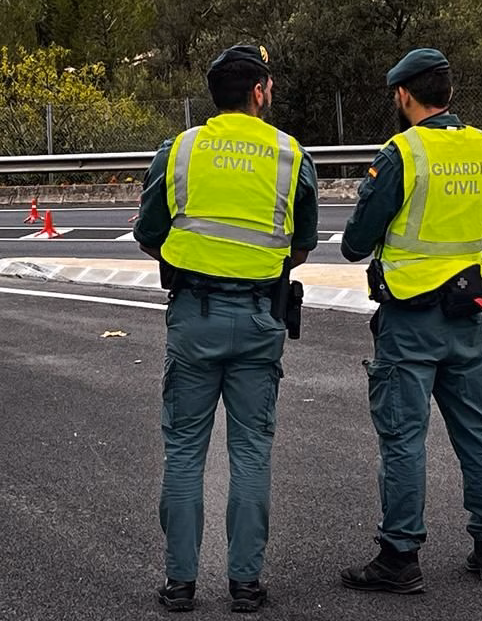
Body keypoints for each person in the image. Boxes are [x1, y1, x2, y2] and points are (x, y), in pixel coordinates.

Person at [134, 44, 318, 613]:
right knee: (251, 452)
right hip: (262, 316)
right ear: (259, 91)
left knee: (185, 451)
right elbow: (304, 241)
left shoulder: (181, 151)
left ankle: (181, 584)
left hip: (194, 316)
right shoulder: (291, 155)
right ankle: (245, 584)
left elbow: (147, 231)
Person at [339, 48, 482, 594]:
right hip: (468, 314)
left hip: (410, 318)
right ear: (450, 94)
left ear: (403, 95)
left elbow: (355, 242)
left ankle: (400, 557)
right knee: (476, 435)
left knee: (404, 440)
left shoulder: (402, 154)